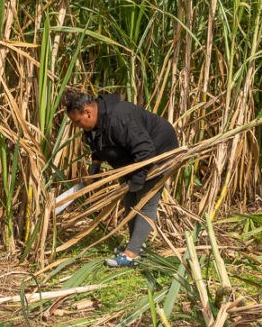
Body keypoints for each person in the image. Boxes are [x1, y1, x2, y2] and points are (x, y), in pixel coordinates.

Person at [61, 88, 179, 268]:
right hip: (133, 158)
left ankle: (131, 255)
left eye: (78, 122)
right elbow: (96, 146)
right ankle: (136, 246)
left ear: (88, 112)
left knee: (146, 200)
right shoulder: (93, 122)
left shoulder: (119, 117)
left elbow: (145, 150)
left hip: (159, 152)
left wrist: (137, 180)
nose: (78, 126)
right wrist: (95, 170)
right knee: (129, 198)